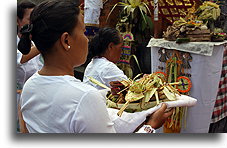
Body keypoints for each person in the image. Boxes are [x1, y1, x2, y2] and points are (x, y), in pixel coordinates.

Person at [18, 0, 173, 133]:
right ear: (66, 41)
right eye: (84, 32)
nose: (87, 39)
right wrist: (150, 126)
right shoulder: (84, 97)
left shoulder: (30, 86)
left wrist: (105, 93)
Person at [17, 0, 43, 131]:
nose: (33, 23)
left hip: (35, 96)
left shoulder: (34, 41)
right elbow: (21, 58)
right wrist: (44, 42)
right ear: (17, 20)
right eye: (29, 19)